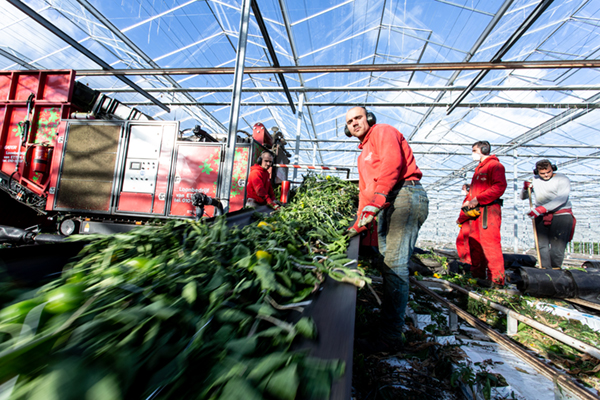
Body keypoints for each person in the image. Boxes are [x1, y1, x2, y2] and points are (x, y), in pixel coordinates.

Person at [346, 106, 429, 340]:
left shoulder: (382, 131)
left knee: (394, 264)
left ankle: (391, 335)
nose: (354, 123)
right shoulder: (363, 156)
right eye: (350, 121)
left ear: (369, 118)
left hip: (405, 196)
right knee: (387, 261)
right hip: (387, 202)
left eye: (358, 118)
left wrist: (380, 195)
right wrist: (359, 226)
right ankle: (388, 323)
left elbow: (392, 162)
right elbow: (365, 194)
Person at [462, 141, 507, 287]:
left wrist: (478, 199)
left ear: (484, 149)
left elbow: (499, 187)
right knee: (475, 243)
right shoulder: (478, 169)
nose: (473, 153)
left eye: (474, 150)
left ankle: (496, 280)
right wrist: (467, 201)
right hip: (477, 212)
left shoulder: (495, 166)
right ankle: (478, 276)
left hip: (488, 211)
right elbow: (475, 191)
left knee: (490, 244)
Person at [520, 159, 575, 269]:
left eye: (548, 172)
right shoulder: (534, 180)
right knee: (541, 245)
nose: (546, 175)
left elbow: (562, 199)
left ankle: (555, 268)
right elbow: (523, 197)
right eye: (542, 173)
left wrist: (541, 209)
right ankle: (545, 269)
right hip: (540, 215)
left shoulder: (562, 179)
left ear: (553, 169)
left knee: (557, 246)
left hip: (561, 215)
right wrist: (525, 189)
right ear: (537, 172)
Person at [456, 184, 472, 265]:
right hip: (464, 223)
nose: (462, 190)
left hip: (468, 223)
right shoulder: (467, 198)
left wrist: (460, 220)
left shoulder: (470, 198)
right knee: (460, 242)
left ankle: (468, 262)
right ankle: (463, 260)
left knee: (467, 243)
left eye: (463, 189)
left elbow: (468, 212)